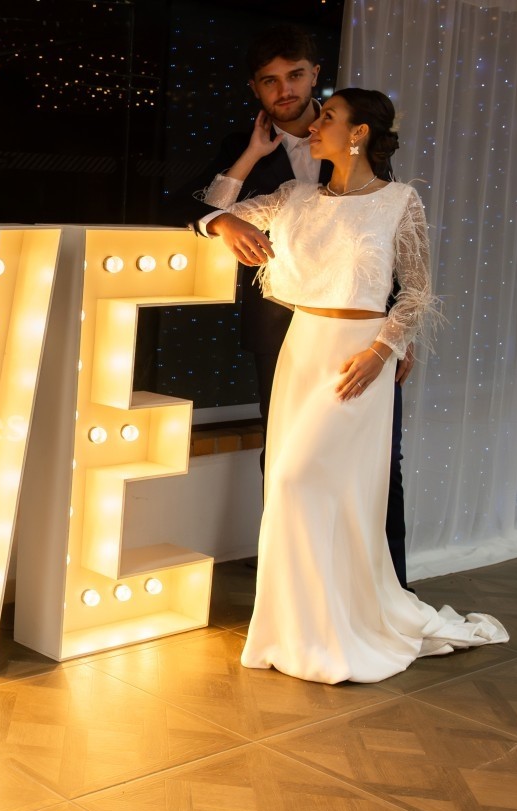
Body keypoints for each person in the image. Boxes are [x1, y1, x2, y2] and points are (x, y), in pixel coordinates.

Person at [199, 88, 508, 683]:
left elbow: (418, 290)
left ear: (359, 132)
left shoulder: (400, 202)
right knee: (295, 488)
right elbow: (216, 210)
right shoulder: (295, 196)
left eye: (329, 117)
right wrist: (247, 156)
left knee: (310, 485)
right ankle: (298, 630)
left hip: (358, 359)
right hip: (302, 351)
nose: (315, 126)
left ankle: (342, 628)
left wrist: (383, 350)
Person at [177, 25, 412, 587]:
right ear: (256, 89)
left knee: (380, 461)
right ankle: (293, 585)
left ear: (314, 74)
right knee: (284, 458)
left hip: (366, 334)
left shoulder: (358, 140)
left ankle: (388, 588)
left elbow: (390, 251)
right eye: (269, 81)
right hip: (282, 328)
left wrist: (400, 338)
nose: (284, 90)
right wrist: (231, 206)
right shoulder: (246, 149)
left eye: (295, 75)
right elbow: (190, 211)